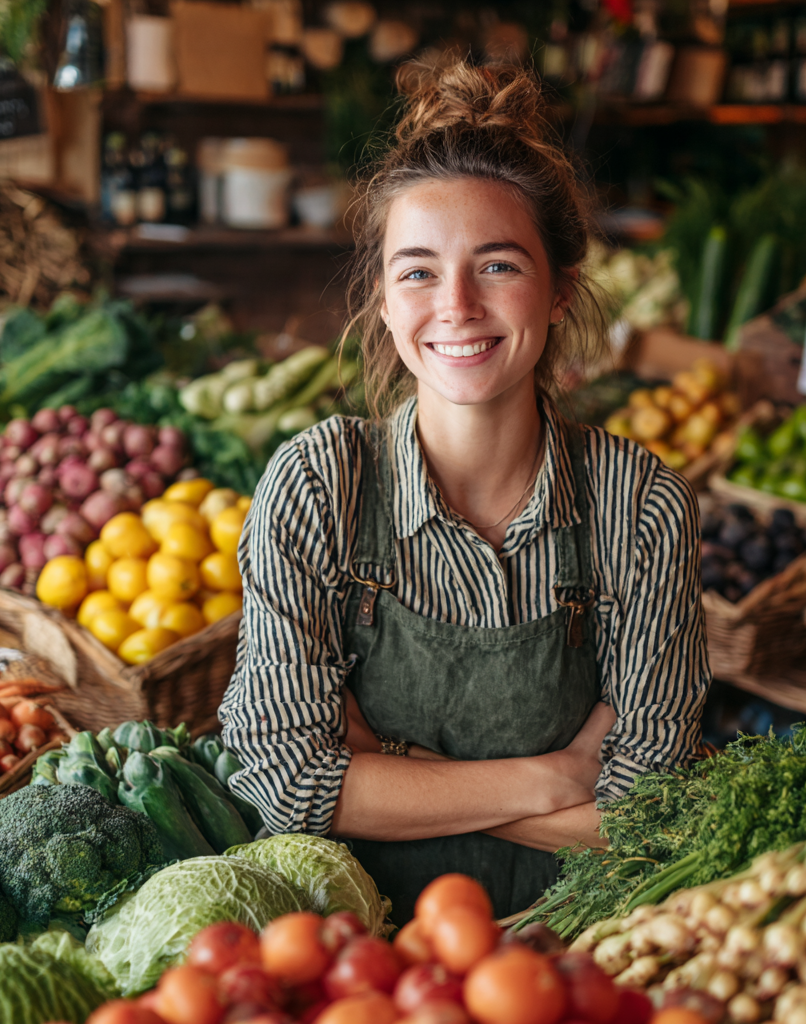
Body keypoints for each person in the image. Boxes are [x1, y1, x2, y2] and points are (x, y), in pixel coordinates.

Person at [219, 59, 710, 924]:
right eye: (416, 271)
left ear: (559, 290)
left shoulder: (639, 503)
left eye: (497, 265)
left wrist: (388, 766)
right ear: (380, 296)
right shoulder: (319, 484)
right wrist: (559, 775)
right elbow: (286, 784)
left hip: (581, 956)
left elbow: (649, 810)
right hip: (361, 960)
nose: (455, 305)